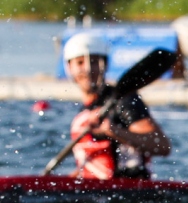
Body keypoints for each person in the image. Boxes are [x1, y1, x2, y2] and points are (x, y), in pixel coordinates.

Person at [62, 32, 171, 179]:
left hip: (128, 190)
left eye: (94, 62)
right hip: (98, 193)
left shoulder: (124, 101)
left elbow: (162, 146)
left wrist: (113, 131)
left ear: (105, 64)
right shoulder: (84, 110)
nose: (88, 69)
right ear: (69, 67)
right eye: (80, 62)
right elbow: (91, 166)